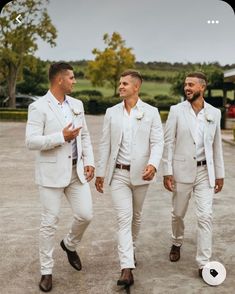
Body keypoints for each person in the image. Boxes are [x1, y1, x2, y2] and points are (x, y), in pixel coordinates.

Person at [26, 62, 95, 292]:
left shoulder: (77, 104)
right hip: (51, 174)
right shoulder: (39, 107)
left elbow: (84, 137)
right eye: (72, 78)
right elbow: (31, 141)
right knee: (49, 223)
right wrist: (61, 137)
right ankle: (47, 271)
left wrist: (90, 162)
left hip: (76, 172)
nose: (74, 81)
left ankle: (69, 244)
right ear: (59, 80)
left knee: (86, 215)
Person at [95, 70, 164, 286]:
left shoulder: (151, 112)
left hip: (142, 174)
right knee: (123, 218)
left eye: (125, 83)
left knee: (137, 216)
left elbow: (158, 142)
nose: (120, 86)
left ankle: (131, 250)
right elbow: (105, 143)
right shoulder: (111, 112)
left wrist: (153, 164)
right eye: (120, 83)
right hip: (119, 174)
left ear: (136, 87)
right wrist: (100, 172)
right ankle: (126, 268)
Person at [162, 72, 224, 278]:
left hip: (206, 172)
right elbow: (168, 142)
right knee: (178, 213)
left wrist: (220, 174)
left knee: (205, 216)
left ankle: (203, 263)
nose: (187, 88)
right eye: (185, 85)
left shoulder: (214, 113)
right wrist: (167, 171)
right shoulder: (176, 111)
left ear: (202, 87)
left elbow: (217, 146)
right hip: (181, 171)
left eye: (191, 85)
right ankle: (176, 241)